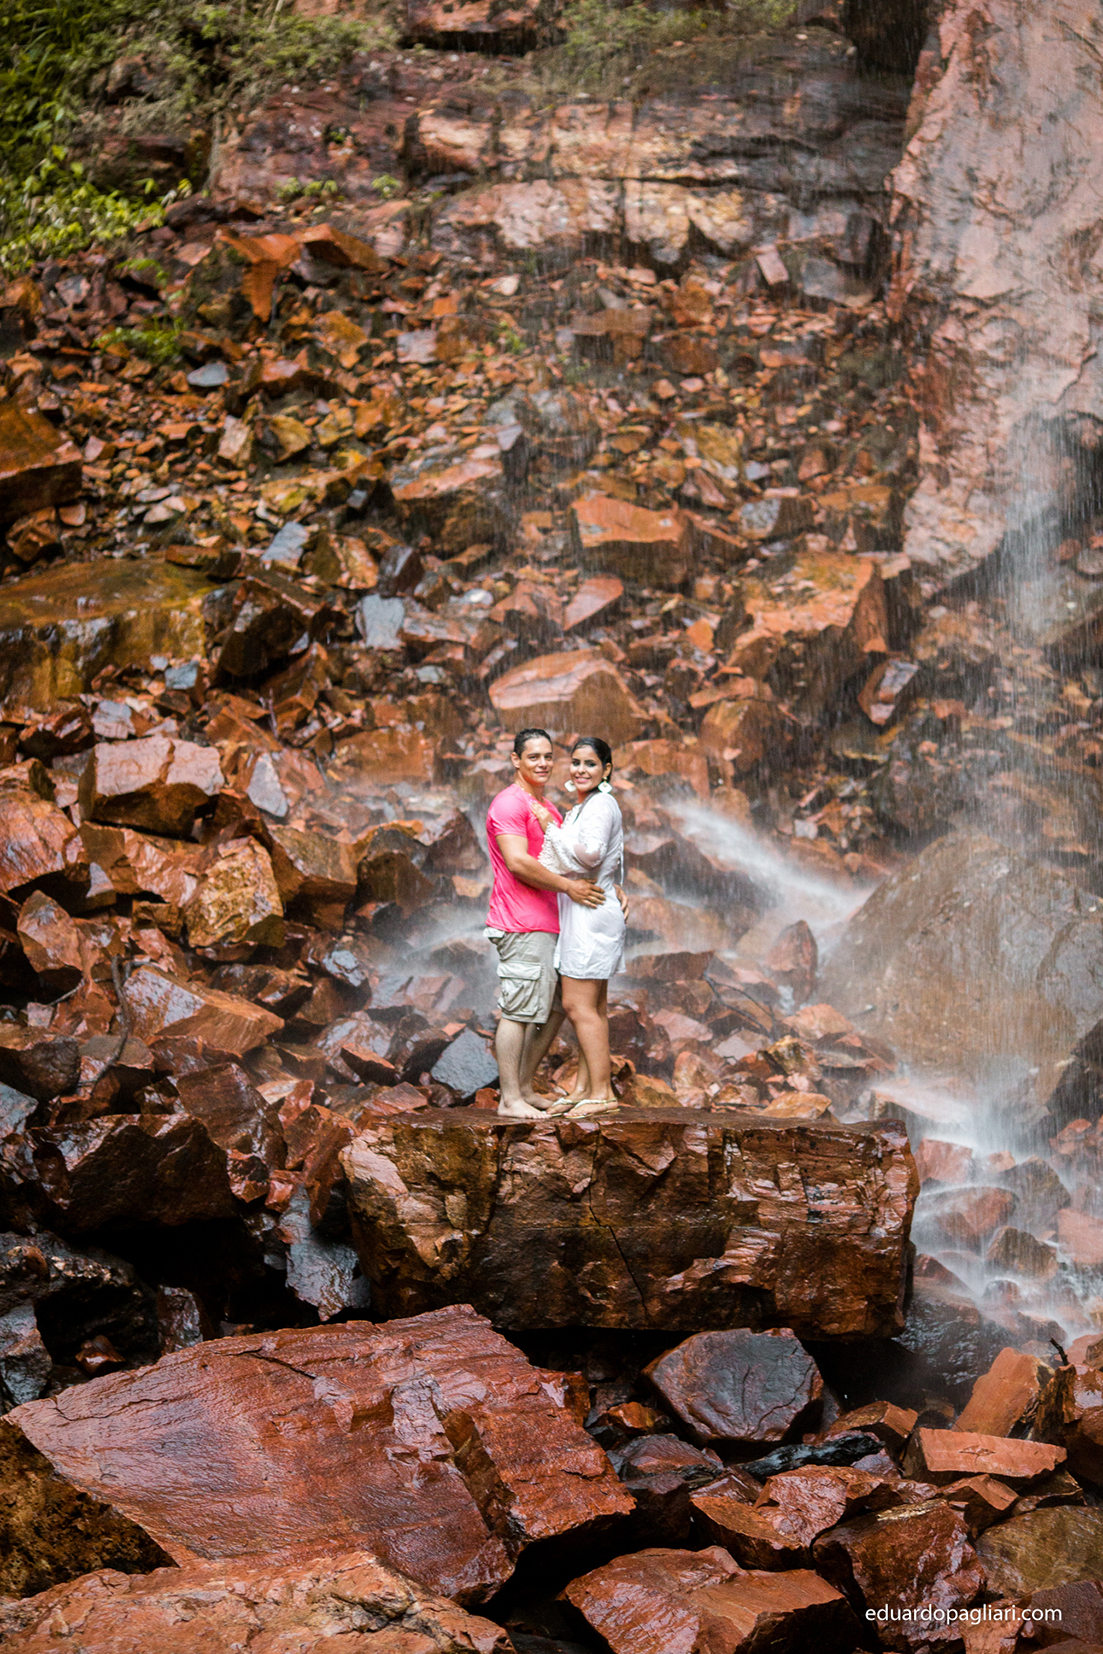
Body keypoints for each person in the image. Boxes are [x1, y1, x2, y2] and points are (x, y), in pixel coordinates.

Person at [485, 728, 606, 1119]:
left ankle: (523, 1087)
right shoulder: (509, 803)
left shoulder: (548, 808)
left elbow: (574, 860)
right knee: (518, 1010)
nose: (542, 763)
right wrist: (569, 888)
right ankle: (509, 1099)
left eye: (548, 756)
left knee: (556, 1007)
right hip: (521, 922)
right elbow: (518, 862)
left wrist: (613, 888)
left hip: (554, 922)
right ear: (516, 760)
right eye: (533, 756)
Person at [531, 736, 626, 1118]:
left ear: (607, 769)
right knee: (594, 1008)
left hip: (590, 910)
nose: (581, 770)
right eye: (576, 762)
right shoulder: (587, 805)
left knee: (576, 1004)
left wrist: (549, 828)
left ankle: (602, 1093)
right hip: (588, 908)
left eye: (590, 764)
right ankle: (586, 1088)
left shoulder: (600, 804)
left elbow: (591, 855)